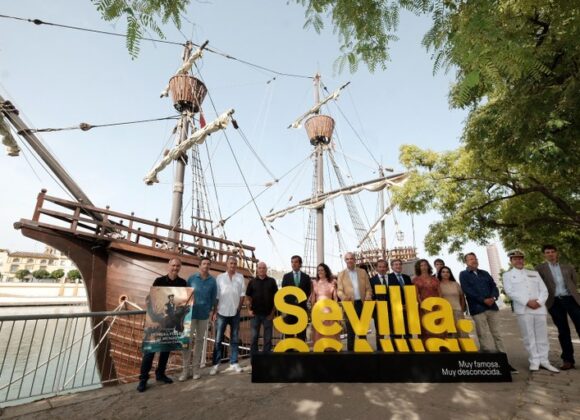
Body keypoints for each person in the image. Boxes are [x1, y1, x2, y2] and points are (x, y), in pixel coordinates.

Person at [459, 252, 518, 373]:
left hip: (492, 308)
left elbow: (494, 287)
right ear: (466, 262)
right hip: (477, 309)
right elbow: (467, 290)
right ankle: (489, 363)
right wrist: (483, 300)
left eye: (475, 258)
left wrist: (493, 298)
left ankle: (504, 362)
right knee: (483, 334)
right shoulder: (463, 275)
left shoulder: (484, 273)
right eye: (470, 259)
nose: (473, 261)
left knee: (497, 334)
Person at [503, 250, 558, 372]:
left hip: (539, 308)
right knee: (529, 336)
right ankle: (534, 361)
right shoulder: (507, 275)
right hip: (523, 309)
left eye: (521, 258)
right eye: (515, 259)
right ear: (511, 261)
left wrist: (539, 302)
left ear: (524, 260)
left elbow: (544, 290)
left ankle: (545, 361)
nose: (519, 261)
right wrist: (527, 301)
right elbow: (510, 292)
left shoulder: (534, 273)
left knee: (542, 336)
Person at [137, 258, 187, 392]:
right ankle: (143, 379)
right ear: (168, 266)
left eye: (177, 266)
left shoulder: (183, 283)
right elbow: (152, 299)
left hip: (170, 323)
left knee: (166, 349)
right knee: (150, 351)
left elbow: (183, 302)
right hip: (159, 321)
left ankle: (160, 374)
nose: (175, 268)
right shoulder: (159, 281)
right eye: (173, 265)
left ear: (180, 267)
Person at [535, 245, 580, 370]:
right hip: (554, 302)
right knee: (563, 331)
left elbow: (573, 282)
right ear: (544, 255)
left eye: (552, 252)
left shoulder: (568, 267)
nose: (550, 254)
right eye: (547, 252)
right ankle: (568, 360)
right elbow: (538, 285)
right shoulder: (539, 269)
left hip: (571, 299)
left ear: (556, 253)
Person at [179, 256, 217, 381]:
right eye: (204, 263)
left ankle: (196, 370)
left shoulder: (213, 281)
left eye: (208, 264)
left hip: (203, 316)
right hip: (190, 315)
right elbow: (185, 295)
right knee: (187, 342)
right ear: (199, 266)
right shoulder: (191, 279)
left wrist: (212, 311)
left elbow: (213, 298)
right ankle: (185, 371)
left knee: (200, 342)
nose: (206, 266)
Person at [210, 256, 245, 375]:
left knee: (234, 339)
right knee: (218, 339)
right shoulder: (220, 277)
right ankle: (215, 365)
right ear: (227, 264)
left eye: (235, 263)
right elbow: (217, 296)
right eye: (231, 263)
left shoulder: (240, 277)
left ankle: (234, 362)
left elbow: (242, 294)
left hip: (235, 312)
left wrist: (239, 308)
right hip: (221, 312)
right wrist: (215, 311)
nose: (233, 265)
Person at [337, 252, 372, 351]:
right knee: (350, 332)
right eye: (347, 259)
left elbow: (369, 288)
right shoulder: (341, 274)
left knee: (362, 331)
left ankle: (364, 352)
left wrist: (368, 296)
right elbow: (339, 291)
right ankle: (350, 354)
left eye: (351, 258)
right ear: (345, 261)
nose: (349, 261)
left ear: (355, 260)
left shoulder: (363, 272)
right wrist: (343, 297)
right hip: (349, 305)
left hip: (361, 304)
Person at [246, 261, 278, 355]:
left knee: (268, 339)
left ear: (266, 269)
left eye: (263, 268)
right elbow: (248, 297)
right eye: (260, 268)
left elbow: (276, 298)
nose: (261, 270)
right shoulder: (252, 282)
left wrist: (272, 313)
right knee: (254, 338)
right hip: (255, 315)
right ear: (257, 269)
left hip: (268, 315)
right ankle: (254, 360)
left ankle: (266, 360)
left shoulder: (272, 281)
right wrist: (248, 310)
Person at [281, 255, 312, 340]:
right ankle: (289, 351)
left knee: (301, 333)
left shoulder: (306, 277)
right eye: (292, 262)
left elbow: (308, 292)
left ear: (300, 264)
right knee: (288, 332)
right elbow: (284, 292)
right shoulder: (286, 277)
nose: (293, 264)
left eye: (296, 262)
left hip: (301, 309)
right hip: (289, 309)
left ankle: (300, 351)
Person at [310, 263, 339, 346]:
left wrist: (336, 311)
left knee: (329, 330)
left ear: (326, 271)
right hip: (318, 310)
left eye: (322, 270)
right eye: (318, 270)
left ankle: (330, 347)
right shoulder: (314, 282)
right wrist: (312, 310)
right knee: (319, 330)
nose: (320, 272)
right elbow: (313, 298)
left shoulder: (333, 282)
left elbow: (335, 298)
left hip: (329, 310)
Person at [412, 259, 442, 340]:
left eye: (425, 265)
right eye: (421, 265)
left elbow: (440, 293)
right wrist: (423, 306)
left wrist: (440, 305)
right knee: (425, 327)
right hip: (423, 307)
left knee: (437, 326)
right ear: (419, 267)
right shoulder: (415, 280)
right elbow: (416, 295)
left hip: (436, 306)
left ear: (428, 266)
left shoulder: (435, 279)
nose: (424, 267)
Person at [437, 266, 467, 338]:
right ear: (440, 274)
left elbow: (462, 297)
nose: (445, 274)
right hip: (445, 312)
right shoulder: (438, 285)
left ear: (450, 274)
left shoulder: (455, 284)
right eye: (443, 272)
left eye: (447, 272)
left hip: (457, 310)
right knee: (451, 334)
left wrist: (462, 309)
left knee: (462, 333)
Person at [387, 258, 413, 339]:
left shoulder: (407, 278)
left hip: (407, 308)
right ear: (391, 267)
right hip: (394, 309)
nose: (398, 266)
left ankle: (409, 349)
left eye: (399, 264)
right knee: (396, 333)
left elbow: (410, 293)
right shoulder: (388, 277)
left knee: (408, 331)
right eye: (396, 264)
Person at [369, 259, 389, 349]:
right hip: (378, 310)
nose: (382, 269)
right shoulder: (371, 280)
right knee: (380, 332)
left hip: (392, 309)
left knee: (394, 331)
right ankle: (380, 351)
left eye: (384, 267)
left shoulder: (392, 278)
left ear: (387, 268)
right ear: (376, 268)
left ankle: (394, 350)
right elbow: (370, 294)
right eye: (380, 267)